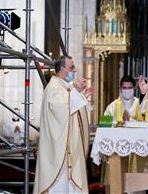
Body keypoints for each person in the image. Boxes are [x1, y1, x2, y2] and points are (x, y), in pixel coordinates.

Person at [34, 55, 92, 194]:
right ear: (61, 69)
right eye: (71, 67)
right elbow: (61, 109)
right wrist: (76, 92)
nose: (75, 70)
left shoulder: (63, 87)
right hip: (60, 151)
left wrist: (79, 94)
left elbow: (72, 107)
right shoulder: (54, 87)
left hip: (70, 148)